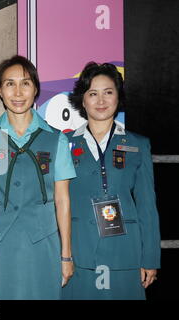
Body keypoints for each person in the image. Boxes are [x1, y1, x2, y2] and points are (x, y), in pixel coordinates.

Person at [0, 55, 76, 299]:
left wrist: (66, 255)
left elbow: (63, 200)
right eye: (10, 84)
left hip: (43, 243)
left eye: (25, 83)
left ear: (36, 89)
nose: (18, 92)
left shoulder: (55, 139)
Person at [61, 62, 160, 300]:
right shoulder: (63, 145)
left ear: (118, 97)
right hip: (78, 253)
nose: (101, 100)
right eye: (93, 94)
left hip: (126, 253)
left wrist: (150, 258)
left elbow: (147, 205)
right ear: (82, 101)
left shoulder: (138, 144)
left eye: (108, 92)